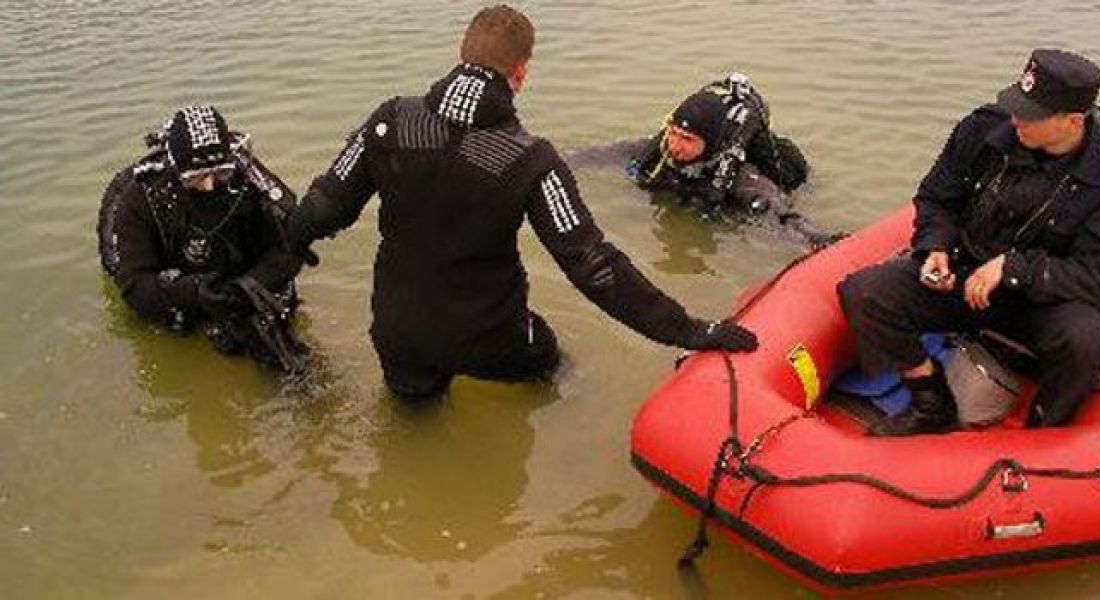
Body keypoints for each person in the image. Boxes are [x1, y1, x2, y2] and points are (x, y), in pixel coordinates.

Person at [286, 5, 757, 399]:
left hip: (398, 332)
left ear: (460, 52)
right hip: (491, 339)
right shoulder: (531, 159)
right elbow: (593, 267)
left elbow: (323, 209)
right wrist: (689, 329)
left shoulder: (389, 120)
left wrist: (285, 253)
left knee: (412, 425)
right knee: (557, 374)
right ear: (521, 73)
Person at [837, 49, 1100, 435]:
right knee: (865, 292)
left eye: (1031, 114)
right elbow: (937, 198)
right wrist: (936, 246)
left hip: (1041, 299)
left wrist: (1014, 269)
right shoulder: (982, 130)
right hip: (964, 274)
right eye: (1018, 106)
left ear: (1072, 121)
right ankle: (930, 401)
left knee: (1086, 343)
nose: (1016, 119)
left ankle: (1046, 429)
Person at [98, 105, 307, 373]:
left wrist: (249, 286)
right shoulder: (141, 198)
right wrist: (194, 293)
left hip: (234, 274)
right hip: (179, 278)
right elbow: (135, 286)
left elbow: (291, 243)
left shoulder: (246, 177)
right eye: (196, 178)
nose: (209, 186)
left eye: (220, 173)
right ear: (176, 170)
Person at [627, 74, 829, 244]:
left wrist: (816, 240)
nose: (675, 145)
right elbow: (610, 154)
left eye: (688, 139)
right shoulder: (657, 151)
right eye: (674, 133)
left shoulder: (742, 177)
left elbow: (783, 217)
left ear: (711, 142)